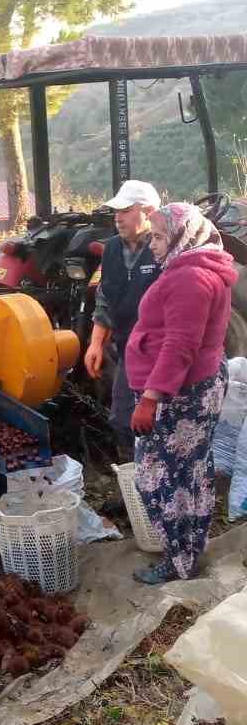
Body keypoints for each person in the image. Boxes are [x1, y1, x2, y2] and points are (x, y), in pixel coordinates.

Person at [125, 202, 237, 585]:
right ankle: (189, 551)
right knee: (191, 470)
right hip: (197, 385)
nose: (152, 244)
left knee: (159, 476)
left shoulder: (190, 279)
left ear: (180, 236)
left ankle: (178, 560)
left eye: (158, 236)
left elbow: (180, 347)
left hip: (181, 395)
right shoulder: (201, 266)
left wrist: (149, 399)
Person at [84, 179, 162, 454]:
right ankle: (136, 483)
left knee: (156, 422)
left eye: (126, 210)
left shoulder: (166, 249)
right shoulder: (113, 249)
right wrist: (95, 343)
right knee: (121, 419)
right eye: (116, 211)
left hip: (160, 350)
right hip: (128, 347)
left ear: (149, 211)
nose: (118, 217)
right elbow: (105, 297)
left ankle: (152, 484)